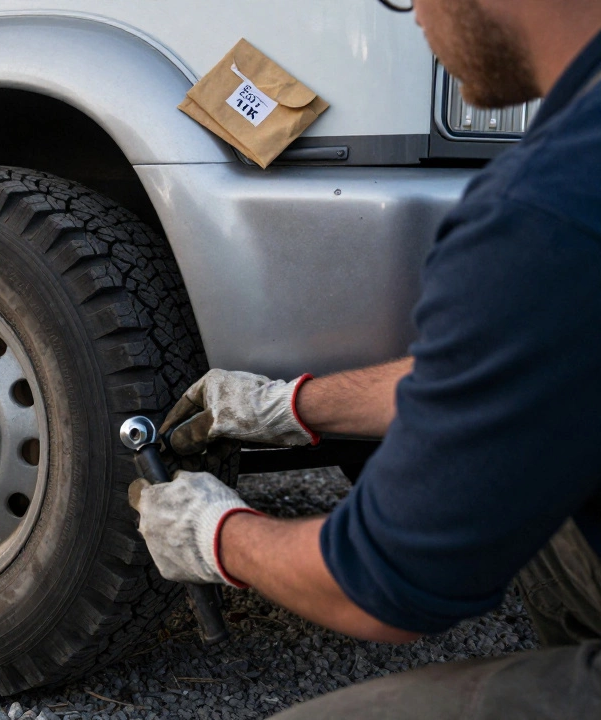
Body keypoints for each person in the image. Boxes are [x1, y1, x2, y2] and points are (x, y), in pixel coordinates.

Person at [130, 0, 601, 717]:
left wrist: (217, 536)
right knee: (528, 475)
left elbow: (384, 581)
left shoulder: (546, 209)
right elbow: (520, 379)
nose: (411, 16)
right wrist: (289, 405)